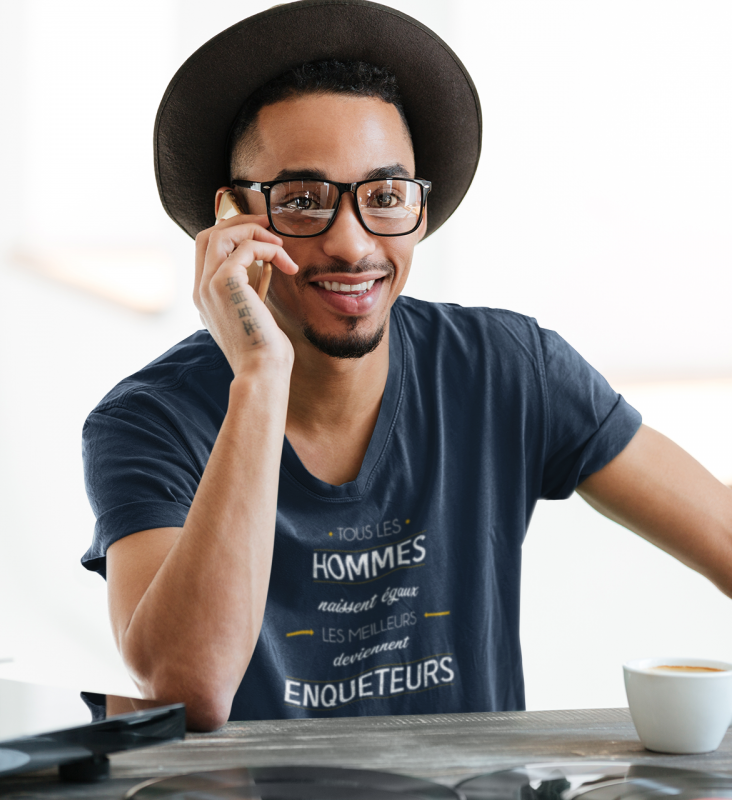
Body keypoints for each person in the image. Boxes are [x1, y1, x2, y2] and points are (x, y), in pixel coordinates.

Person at [81, 0, 732, 731]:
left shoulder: (507, 370)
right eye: (303, 201)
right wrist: (259, 379)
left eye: (385, 196)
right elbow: (187, 687)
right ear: (235, 218)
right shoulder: (146, 421)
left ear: (419, 210)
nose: (353, 245)